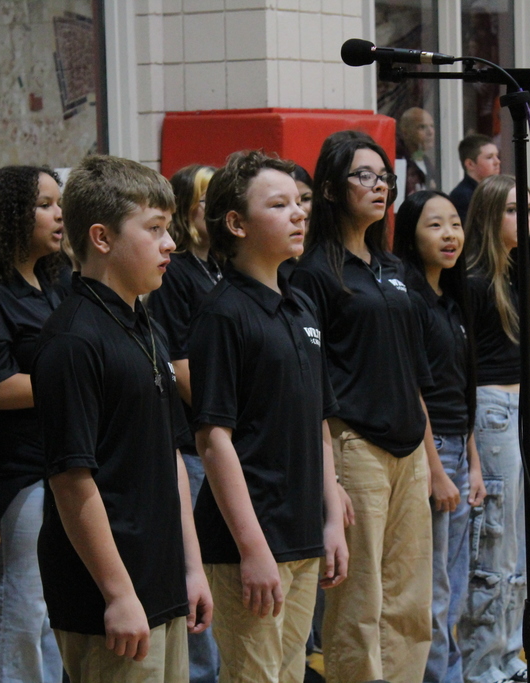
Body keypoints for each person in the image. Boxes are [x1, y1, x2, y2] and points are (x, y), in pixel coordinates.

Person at [34, 154, 212, 682]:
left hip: (160, 579)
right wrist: (118, 593)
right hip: (110, 593)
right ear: (102, 238)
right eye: (155, 229)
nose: (170, 244)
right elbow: (71, 479)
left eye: (170, 228)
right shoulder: (73, 340)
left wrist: (191, 566)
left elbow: (171, 455)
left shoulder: (140, 320)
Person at [188, 149, 348, 683]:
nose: (299, 213)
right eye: (279, 205)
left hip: (301, 532)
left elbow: (318, 423)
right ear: (236, 223)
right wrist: (252, 549)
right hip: (249, 544)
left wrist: (331, 518)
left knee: (289, 673)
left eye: (300, 202)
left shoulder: (300, 305)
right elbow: (214, 440)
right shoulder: (224, 313)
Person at [291, 130, 435, 683]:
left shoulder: (393, 268)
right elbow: (311, 382)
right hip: (355, 448)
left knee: (408, 605)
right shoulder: (312, 274)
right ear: (330, 188)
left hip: (408, 451)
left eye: (385, 177)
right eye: (364, 176)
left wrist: (430, 453)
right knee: (360, 609)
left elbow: (412, 371)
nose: (379, 187)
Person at [0, 165, 66, 683]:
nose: (58, 213)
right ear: (12, 216)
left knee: (50, 609)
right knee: (22, 609)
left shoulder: (53, 280)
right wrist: (75, 382)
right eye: (45, 204)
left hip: (60, 463)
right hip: (17, 471)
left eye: (58, 202)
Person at [392, 190, 488, 683]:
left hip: (456, 449)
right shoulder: (409, 301)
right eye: (435, 225)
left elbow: (460, 389)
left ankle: (449, 674)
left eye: (454, 223)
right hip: (431, 455)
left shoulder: (452, 299)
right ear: (410, 234)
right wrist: (436, 469)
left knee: (453, 587)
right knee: (431, 590)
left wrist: (472, 462)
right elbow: (415, 390)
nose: (450, 234)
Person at [456, 174, 530, 683]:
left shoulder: (518, 273)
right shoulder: (472, 281)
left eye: (529, 209)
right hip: (491, 411)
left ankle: (512, 655)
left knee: (523, 534)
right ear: (491, 218)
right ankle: (485, 663)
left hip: (523, 405)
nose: (525, 220)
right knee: (495, 543)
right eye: (513, 210)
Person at [146, 163, 220, 683]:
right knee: (197, 567)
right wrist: (229, 410)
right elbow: (178, 364)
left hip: (225, 437)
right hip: (197, 439)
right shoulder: (177, 276)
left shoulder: (219, 267)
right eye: (207, 201)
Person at [448, 135, 500, 225]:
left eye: (497, 156)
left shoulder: (492, 191)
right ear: (470, 164)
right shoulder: (463, 196)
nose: (497, 162)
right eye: (489, 157)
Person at [398, 107, 439, 195]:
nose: (430, 132)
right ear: (405, 132)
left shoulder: (428, 163)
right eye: (422, 127)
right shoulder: (399, 163)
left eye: (432, 126)